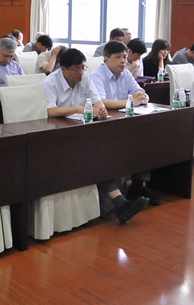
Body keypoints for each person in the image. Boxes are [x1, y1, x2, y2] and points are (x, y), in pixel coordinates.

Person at [41, 48, 145, 223]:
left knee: (101, 151)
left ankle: (119, 205)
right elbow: (49, 111)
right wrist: (77, 108)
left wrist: (101, 110)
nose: (81, 72)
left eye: (83, 68)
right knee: (93, 156)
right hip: (55, 135)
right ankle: (119, 204)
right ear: (63, 69)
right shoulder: (50, 83)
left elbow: (97, 101)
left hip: (80, 132)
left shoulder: (85, 77)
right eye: (77, 69)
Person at [91, 40, 158, 205]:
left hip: (125, 121)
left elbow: (139, 91)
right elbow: (101, 102)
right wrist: (130, 102)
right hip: (105, 125)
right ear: (106, 58)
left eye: (125, 57)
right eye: (118, 57)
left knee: (148, 139)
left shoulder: (126, 74)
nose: (123, 61)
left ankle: (137, 186)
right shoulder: (96, 76)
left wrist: (143, 96)